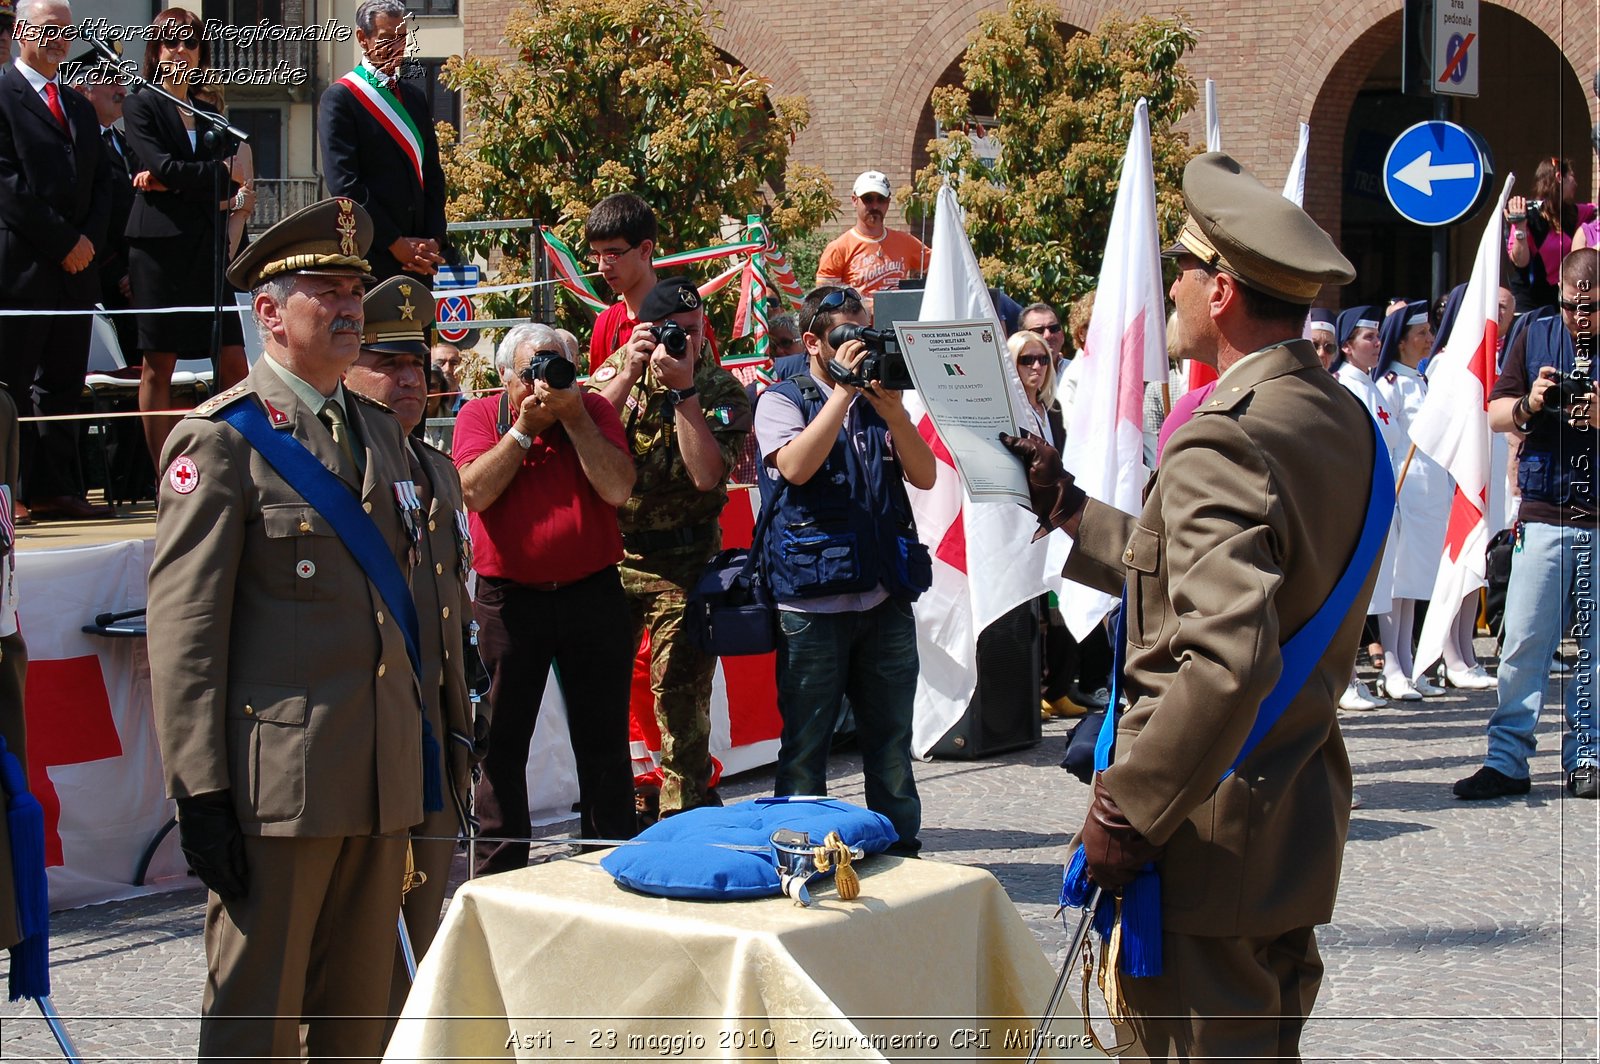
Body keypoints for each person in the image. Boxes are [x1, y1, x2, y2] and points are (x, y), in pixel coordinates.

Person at [1000, 151, 1372, 1061]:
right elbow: (1242, 582)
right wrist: (1073, 513)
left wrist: (1124, 814)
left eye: (1187, 265)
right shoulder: (1335, 415)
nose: (1172, 284)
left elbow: (1226, 656)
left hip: (1205, 836)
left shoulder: (1226, 438)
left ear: (1223, 292)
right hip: (1287, 820)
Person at [146, 198, 430, 1062]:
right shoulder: (224, 441)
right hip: (280, 797)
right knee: (255, 1025)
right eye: (325, 289)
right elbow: (187, 636)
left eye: (355, 288)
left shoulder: (377, 430)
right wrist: (201, 796)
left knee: (361, 1023)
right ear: (269, 312)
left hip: (378, 786)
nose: (349, 306)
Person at [753, 285, 935, 853]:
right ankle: (801, 853)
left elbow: (925, 475)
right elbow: (796, 468)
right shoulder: (781, 399)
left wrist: (895, 415)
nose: (859, 347)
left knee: (890, 744)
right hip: (811, 606)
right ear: (812, 342)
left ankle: (902, 849)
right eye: (844, 336)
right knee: (806, 748)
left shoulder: (880, 401)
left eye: (864, 333)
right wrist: (841, 395)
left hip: (883, 599)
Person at [339, 276, 477, 1015]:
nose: (409, 380)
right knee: (348, 972)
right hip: (362, 755)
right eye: (386, 363)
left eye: (417, 365)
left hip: (434, 745)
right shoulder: (339, 473)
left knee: (417, 953)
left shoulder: (439, 472)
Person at [458, 323, 638, 872]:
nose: (545, 384)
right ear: (504, 376)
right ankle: (499, 875)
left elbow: (617, 488)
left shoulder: (593, 412)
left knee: (604, 739)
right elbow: (473, 490)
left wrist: (575, 415)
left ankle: (612, 860)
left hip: (592, 593)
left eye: (559, 370)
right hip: (510, 603)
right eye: (532, 372)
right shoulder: (479, 416)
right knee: (500, 745)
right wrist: (522, 431)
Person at [588, 277, 752, 816]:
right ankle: (613, 814)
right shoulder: (621, 369)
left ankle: (683, 819)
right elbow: (578, 431)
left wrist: (684, 392)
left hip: (686, 561)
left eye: (694, 330)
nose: (686, 342)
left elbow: (707, 475)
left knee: (679, 695)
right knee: (601, 693)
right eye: (672, 332)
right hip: (616, 558)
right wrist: (630, 371)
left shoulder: (720, 390)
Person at [1454, 247, 1599, 801]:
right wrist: (1529, 407)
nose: (1579, 319)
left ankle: (1587, 759)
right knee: (1522, 645)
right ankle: (1508, 761)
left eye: (1591, 309)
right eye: (1570, 306)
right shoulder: (1535, 332)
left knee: (1597, 651)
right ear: (1558, 293)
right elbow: (1495, 411)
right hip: (1544, 513)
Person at [0, 0, 114, 522]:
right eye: (49, 29)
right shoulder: (3, 93)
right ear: (21, 31)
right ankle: (9, 490)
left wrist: (86, 240)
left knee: (65, 384)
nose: (59, 39)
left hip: (75, 270)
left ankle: (55, 487)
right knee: (11, 383)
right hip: (23, 265)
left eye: (67, 31)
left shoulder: (78, 104)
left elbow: (101, 184)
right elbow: (8, 186)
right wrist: (63, 241)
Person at [122, 7, 250, 465]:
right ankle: (164, 471)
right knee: (161, 361)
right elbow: (164, 167)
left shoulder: (210, 111)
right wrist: (209, 173)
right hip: (158, 249)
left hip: (206, 245)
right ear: (155, 50)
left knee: (234, 359)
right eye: (171, 41)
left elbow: (233, 183)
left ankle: (238, 460)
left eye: (190, 42)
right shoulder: (140, 101)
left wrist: (182, 181)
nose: (180, 49)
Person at [319, 0, 452, 283]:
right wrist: (395, 242)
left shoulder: (415, 99)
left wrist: (434, 240)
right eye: (385, 39)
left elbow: (432, 176)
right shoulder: (341, 98)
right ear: (362, 39)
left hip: (419, 261)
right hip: (373, 258)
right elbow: (345, 185)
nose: (396, 47)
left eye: (402, 38)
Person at [1372, 300, 1449, 700]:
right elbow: (1387, 442)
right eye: (1421, 333)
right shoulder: (1389, 384)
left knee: (1413, 582)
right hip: (1402, 493)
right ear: (1401, 341)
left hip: (1425, 497)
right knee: (1395, 582)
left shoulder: (1419, 379)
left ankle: (1409, 659)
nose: (1428, 339)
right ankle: (1393, 666)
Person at [1331, 305, 1402, 712]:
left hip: (1380, 498)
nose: (1377, 343)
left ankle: (1355, 679)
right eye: (1368, 338)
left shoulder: (1371, 385)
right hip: (1357, 500)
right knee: (1352, 592)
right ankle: (1347, 680)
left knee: (1373, 592)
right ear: (1347, 346)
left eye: (1377, 336)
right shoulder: (1345, 385)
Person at [72, 58, 137, 364]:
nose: (119, 88)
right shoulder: (77, 146)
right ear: (81, 90)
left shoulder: (126, 143)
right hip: (104, 282)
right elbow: (89, 213)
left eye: (121, 80)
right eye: (108, 80)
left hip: (137, 281)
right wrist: (119, 274)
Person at [814, 170, 929, 296]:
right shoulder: (838, 249)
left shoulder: (906, 242)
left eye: (881, 199)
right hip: (859, 315)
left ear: (888, 202)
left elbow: (943, 265)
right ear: (854, 200)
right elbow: (826, 301)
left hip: (898, 315)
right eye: (867, 199)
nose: (875, 206)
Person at [1505, 157, 1596, 313]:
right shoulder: (1528, 213)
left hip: (1560, 301)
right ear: (1560, 177)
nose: (1576, 183)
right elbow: (1520, 262)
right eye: (1572, 177)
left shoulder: (1577, 213)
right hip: (1528, 303)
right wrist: (1519, 226)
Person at [585, 192, 659, 368]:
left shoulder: (686, 316)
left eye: (612, 255)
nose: (602, 267)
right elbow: (598, 395)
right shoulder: (605, 323)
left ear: (644, 250)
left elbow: (717, 392)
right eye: (596, 255)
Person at [1019, 301, 1067, 370]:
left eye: (1053, 328)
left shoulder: (1080, 372)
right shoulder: (1009, 376)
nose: (1048, 335)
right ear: (1023, 337)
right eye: (1039, 330)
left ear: (1062, 335)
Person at [430, 340, 465, 412]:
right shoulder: (419, 409)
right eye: (440, 363)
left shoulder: (470, 408)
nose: (447, 369)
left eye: (453, 363)